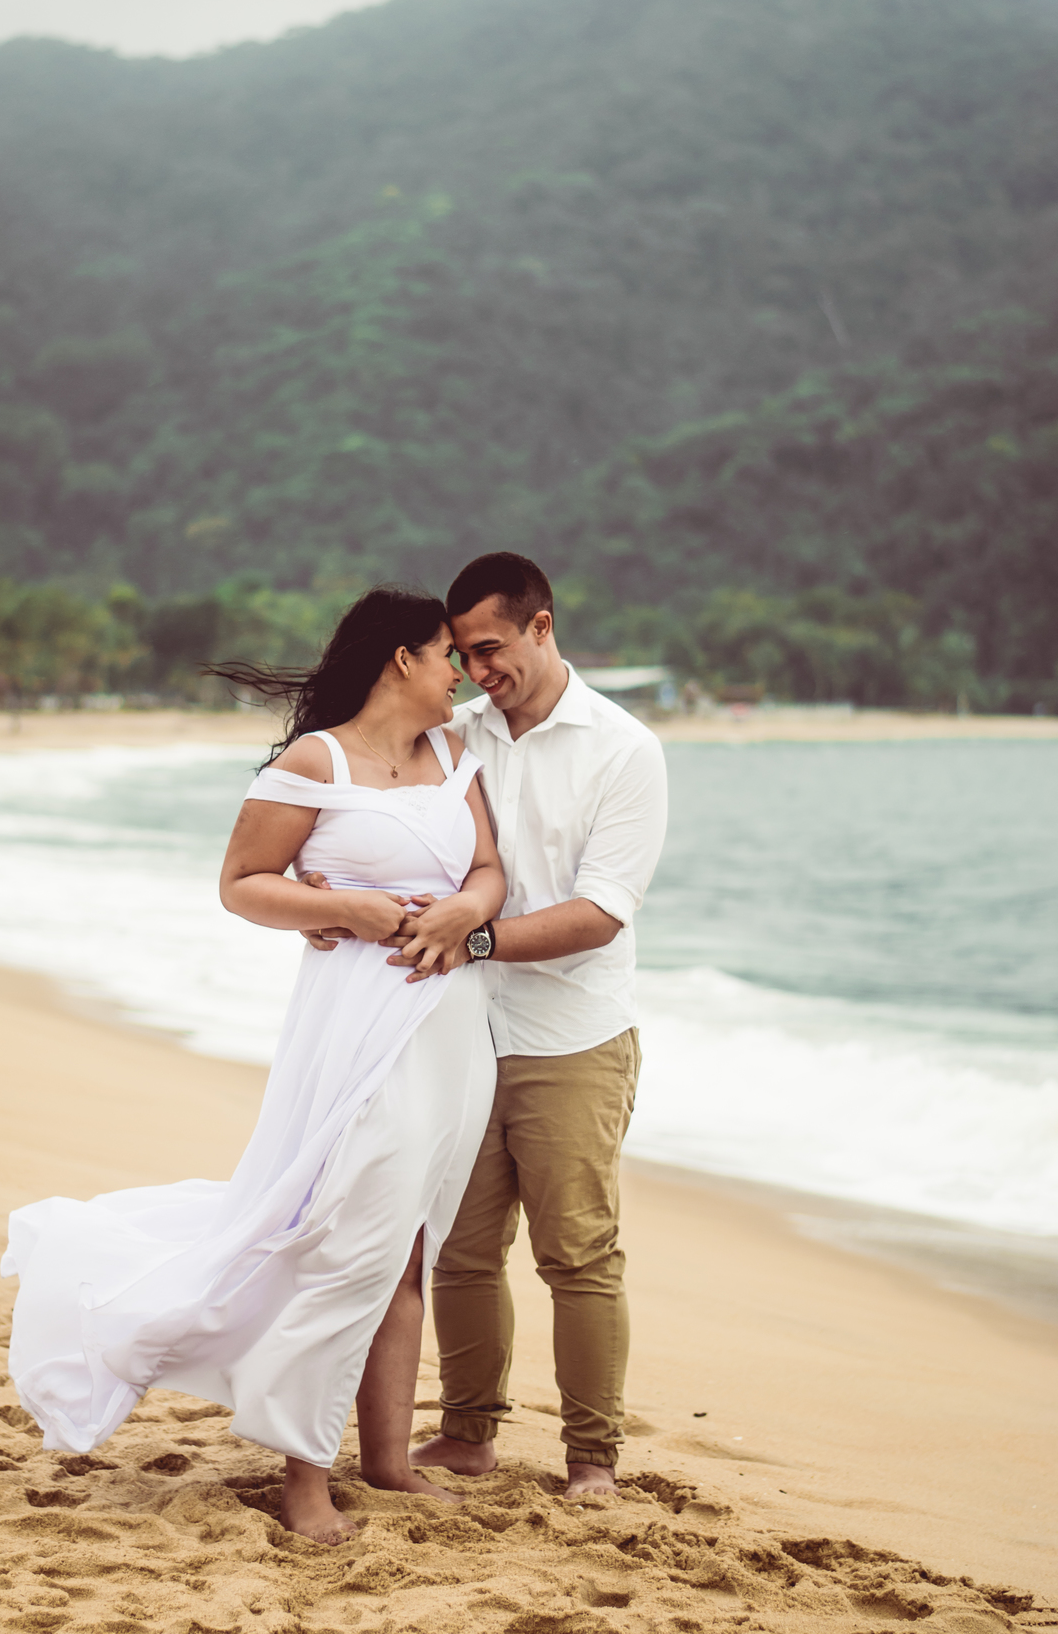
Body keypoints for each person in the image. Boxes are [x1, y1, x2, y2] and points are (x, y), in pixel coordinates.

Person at [1, 588, 505, 1546]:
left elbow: (488, 870)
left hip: (453, 1029)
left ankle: (389, 1464)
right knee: (349, 1249)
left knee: (408, 1255)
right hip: (360, 1027)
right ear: (402, 659)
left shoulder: (453, 756)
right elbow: (242, 885)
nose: (463, 675)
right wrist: (346, 913)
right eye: (448, 654)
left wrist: (465, 913)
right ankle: (303, 1480)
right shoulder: (315, 763)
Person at [306, 552, 667, 1499]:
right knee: (459, 1248)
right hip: (455, 1032)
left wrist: (472, 939)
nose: (474, 670)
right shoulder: (456, 735)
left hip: (573, 1034)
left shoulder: (624, 749)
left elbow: (601, 914)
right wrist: (323, 887)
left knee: (577, 1252)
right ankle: (467, 1436)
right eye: (461, 654)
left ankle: (592, 1459)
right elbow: (379, 813)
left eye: (492, 648)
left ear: (542, 627)